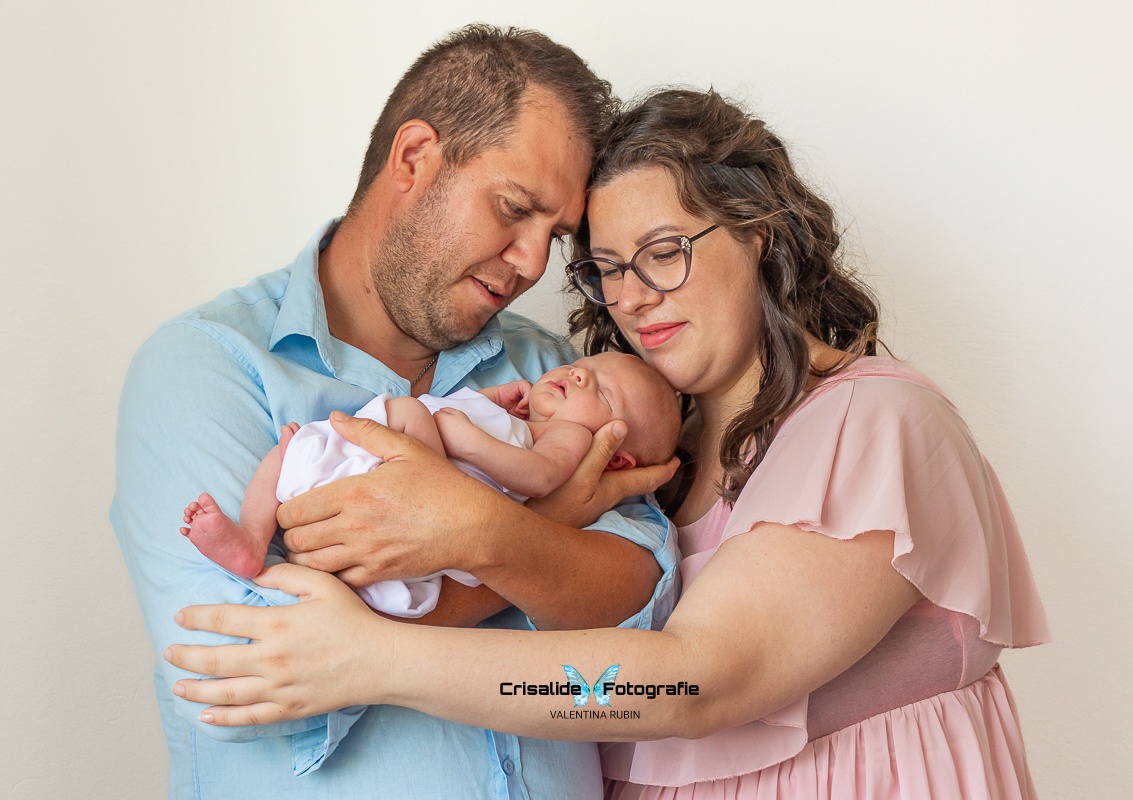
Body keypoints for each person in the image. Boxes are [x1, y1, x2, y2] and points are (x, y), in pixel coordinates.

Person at [166, 88, 1053, 799]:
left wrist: (374, 658)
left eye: (664, 251)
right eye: (606, 267)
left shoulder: (876, 424)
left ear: (759, 234)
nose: (633, 297)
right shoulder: (643, 459)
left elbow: (686, 684)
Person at [112, 25, 681, 799]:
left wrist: (478, 538)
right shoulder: (207, 367)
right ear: (414, 159)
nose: (531, 264)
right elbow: (249, 677)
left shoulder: (556, 373)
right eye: (514, 209)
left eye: (554, 237)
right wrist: (543, 529)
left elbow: (641, 623)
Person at [182, 352, 681, 618]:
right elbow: (459, 411)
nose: (578, 376)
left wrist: (467, 441)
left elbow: (539, 476)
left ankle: (256, 537)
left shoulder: (567, 439)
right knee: (289, 446)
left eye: (602, 390)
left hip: (417, 491)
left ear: (615, 457)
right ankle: (250, 537)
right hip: (372, 471)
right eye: (584, 366)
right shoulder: (521, 417)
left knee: (405, 411)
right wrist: (489, 401)